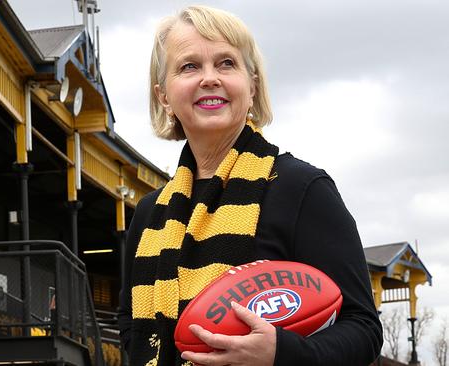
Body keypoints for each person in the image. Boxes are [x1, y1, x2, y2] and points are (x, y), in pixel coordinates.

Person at [117, 5, 383, 366]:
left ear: (253, 86)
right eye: (189, 66)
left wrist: (280, 353)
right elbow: (131, 324)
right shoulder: (150, 213)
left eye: (226, 63)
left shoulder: (302, 189)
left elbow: (364, 329)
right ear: (164, 96)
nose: (209, 78)